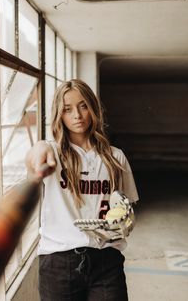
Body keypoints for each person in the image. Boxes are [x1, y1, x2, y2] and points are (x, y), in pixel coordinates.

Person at [26, 79, 139, 301]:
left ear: (93, 108)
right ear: (59, 114)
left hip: (106, 258)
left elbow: (126, 205)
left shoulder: (115, 157)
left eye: (83, 105)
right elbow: (33, 160)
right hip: (59, 261)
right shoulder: (52, 152)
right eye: (67, 109)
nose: (77, 115)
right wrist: (38, 148)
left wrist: (126, 222)